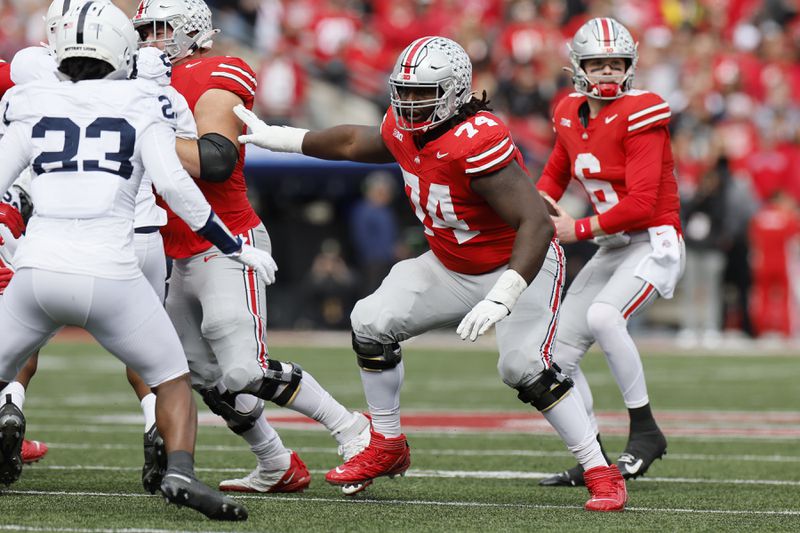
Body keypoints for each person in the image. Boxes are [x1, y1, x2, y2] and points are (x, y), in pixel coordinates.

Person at [235, 35, 627, 511]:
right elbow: (354, 140)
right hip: (449, 263)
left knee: (524, 368)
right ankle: (387, 443)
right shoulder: (403, 127)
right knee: (370, 322)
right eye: (404, 90)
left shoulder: (477, 140)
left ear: (456, 90)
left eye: (423, 93)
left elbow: (536, 224)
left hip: (518, 263)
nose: (410, 102)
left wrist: (504, 294)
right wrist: (283, 138)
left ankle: (600, 470)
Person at [0, 1, 265, 520]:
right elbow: (178, 187)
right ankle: (181, 472)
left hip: (37, 273)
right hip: (114, 273)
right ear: (124, 47)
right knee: (169, 379)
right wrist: (233, 245)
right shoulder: (144, 101)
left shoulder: (32, 101)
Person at [132, 0, 371, 494]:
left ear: (194, 31)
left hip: (227, 242)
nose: (152, 39)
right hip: (170, 250)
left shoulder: (218, 68)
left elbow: (215, 159)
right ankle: (275, 462)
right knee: (196, 375)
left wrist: (141, 135)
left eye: (162, 28)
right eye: (145, 30)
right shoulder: (132, 84)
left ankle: (353, 429)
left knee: (244, 369)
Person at [534, 17, 684, 487]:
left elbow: (641, 202)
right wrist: (533, 210)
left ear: (630, 65)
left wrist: (574, 228)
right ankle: (594, 456)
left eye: (615, 63)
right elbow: (555, 174)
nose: (607, 72)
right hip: (612, 245)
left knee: (602, 317)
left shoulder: (643, 112)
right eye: (597, 63)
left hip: (653, 239)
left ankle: (645, 430)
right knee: (554, 356)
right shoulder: (568, 111)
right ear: (578, 66)